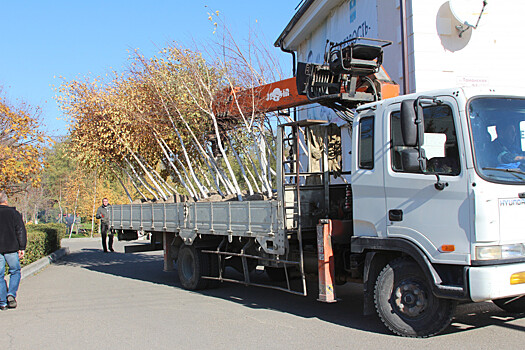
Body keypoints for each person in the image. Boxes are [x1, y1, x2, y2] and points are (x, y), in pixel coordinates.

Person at [0, 191, 27, 310]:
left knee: (0, 275)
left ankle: (2, 302)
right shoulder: (14, 213)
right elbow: (20, 231)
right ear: (6, 200)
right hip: (11, 248)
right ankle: (11, 294)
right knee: (15, 271)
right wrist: (22, 247)